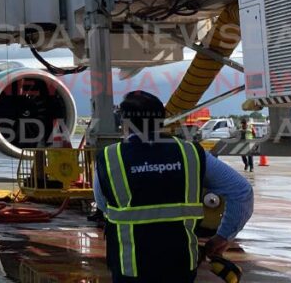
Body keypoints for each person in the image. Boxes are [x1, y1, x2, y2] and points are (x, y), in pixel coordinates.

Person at [94, 91, 254, 282]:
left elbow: (103, 205)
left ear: (125, 122)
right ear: (162, 120)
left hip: (130, 267)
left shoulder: (110, 157)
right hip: (180, 265)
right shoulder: (191, 153)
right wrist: (223, 236)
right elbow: (241, 191)